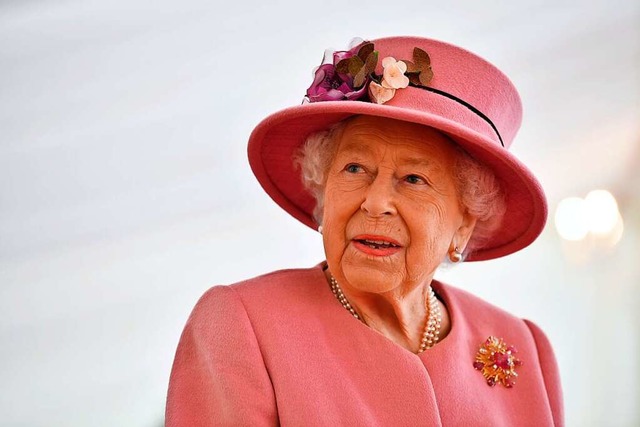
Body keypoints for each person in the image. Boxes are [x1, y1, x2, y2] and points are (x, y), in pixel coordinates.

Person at [165, 36, 563, 426]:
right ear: (322, 191)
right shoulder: (243, 324)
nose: (375, 202)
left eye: (413, 178)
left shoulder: (523, 347)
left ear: (464, 223)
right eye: (354, 169)